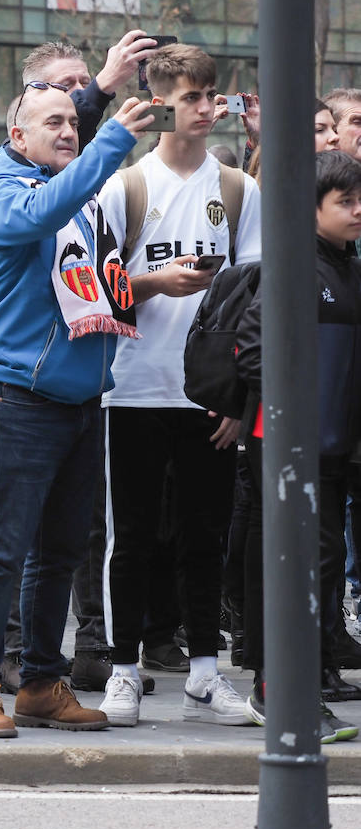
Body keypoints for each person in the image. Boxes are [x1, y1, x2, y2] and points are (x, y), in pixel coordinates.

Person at [0, 84, 154, 738]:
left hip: (80, 399)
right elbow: (44, 212)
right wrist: (113, 140)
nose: (69, 132)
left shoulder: (75, 191)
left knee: (60, 552)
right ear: (18, 137)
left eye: (74, 122)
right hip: (16, 396)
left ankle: (41, 682)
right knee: (1, 550)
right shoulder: (5, 191)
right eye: (54, 123)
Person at [96, 44, 260, 729]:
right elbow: (92, 290)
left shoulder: (239, 190)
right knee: (131, 536)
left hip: (207, 397)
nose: (207, 106)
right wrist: (155, 281)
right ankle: (123, 668)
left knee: (205, 534)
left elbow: (256, 298)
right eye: (193, 95)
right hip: (133, 385)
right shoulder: (123, 187)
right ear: (162, 101)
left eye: (212, 93)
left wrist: (240, 397)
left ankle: (202, 670)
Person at [237, 150, 361, 742]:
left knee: (321, 563)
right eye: (346, 202)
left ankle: (306, 683)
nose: (359, 211)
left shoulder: (346, 265)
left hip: (333, 449)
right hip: (285, 449)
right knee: (286, 564)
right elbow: (254, 350)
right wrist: (296, 419)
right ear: (311, 209)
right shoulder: (293, 267)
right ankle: (275, 686)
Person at [20, 33, 160, 150]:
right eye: (66, 85)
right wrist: (106, 81)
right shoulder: (16, 171)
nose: (81, 90)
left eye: (86, 83)